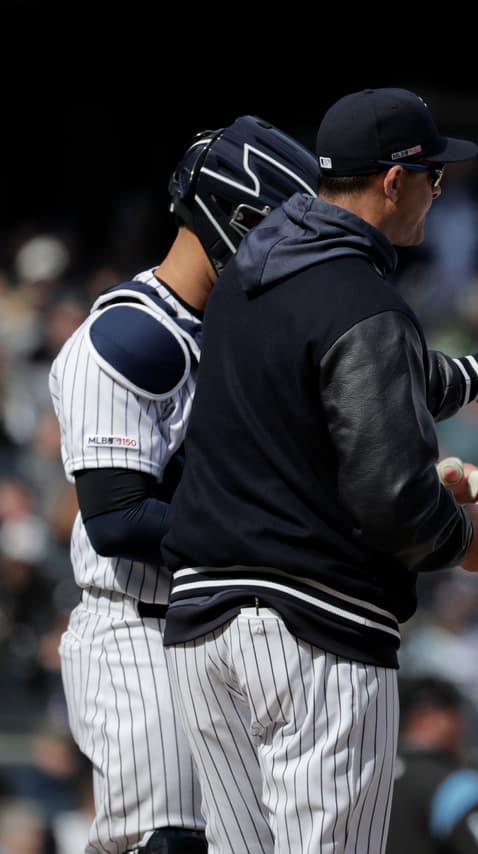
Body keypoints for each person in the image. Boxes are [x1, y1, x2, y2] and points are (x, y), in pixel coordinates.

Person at [158, 87, 478, 853]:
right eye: (433, 177)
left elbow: (350, 378)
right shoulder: (364, 300)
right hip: (311, 628)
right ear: (394, 181)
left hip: (204, 628)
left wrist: (477, 373)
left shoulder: (246, 278)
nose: (438, 192)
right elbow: (393, 500)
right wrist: (465, 537)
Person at [47, 115, 320, 854]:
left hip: (230, 631)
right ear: (235, 221)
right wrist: (281, 537)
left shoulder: (242, 328)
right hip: (139, 630)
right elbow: (120, 519)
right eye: (279, 228)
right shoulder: (132, 337)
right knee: (166, 843)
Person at [386, 675, 478, 853]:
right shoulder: (453, 784)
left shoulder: (370, 774)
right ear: (426, 719)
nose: (463, 727)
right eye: (455, 715)